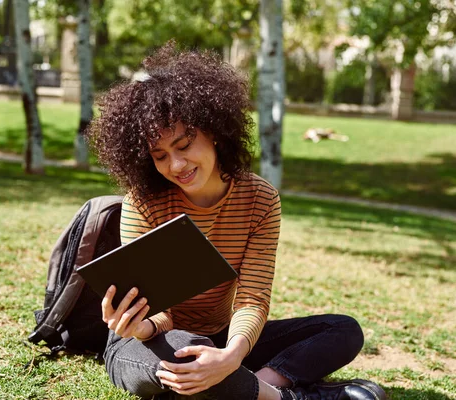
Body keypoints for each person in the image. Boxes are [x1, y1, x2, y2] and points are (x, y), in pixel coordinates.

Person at [87, 42, 386, 400]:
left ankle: (254, 385)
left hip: (224, 335)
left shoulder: (259, 198)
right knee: (187, 355)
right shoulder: (143, 203)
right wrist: (139, 325)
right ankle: (286, 396)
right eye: (161, 156)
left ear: (213, 130)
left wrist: (231, 356)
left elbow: (252, 298)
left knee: (342, 330)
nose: (176, 165)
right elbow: (160, 313)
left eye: (185, 145)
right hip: (147, 341)